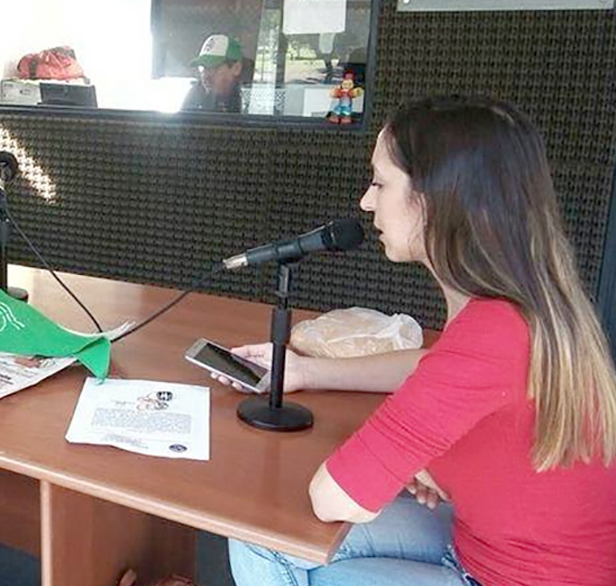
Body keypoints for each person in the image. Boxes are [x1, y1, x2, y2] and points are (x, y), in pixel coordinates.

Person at [217, 96, 616, 586]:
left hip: (509, 575)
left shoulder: (493, 331)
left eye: (380, 183)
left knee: (278, 541)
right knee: (264, 534)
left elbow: (332, 497)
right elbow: (433, 366)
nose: (366, 202)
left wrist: (402, 458)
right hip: (481, 543)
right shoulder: (520, 309)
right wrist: (305, 371)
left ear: (435, 198)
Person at [181, 34, 244, 113]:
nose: (205, 76)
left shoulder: (250, 102)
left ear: (236, 68)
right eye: (203, 68)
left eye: (214, 68)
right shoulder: (194, 98)